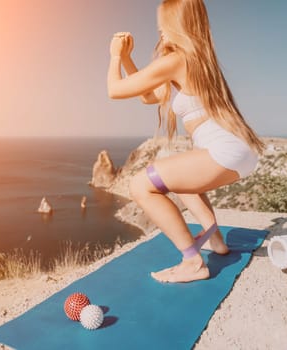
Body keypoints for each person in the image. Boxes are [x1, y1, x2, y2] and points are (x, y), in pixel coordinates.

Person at [107, 0, 265, 283]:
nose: (161, 34)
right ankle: (216, 242)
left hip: (225, 150)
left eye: (163, 27)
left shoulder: (177, 60)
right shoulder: (197, 60)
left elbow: (115, 90)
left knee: (140, 185)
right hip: (240, 151)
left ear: (176, 26)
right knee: (180, 180)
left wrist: (115, 56)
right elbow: (147, 95)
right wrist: (131, 60)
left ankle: (192, 261)